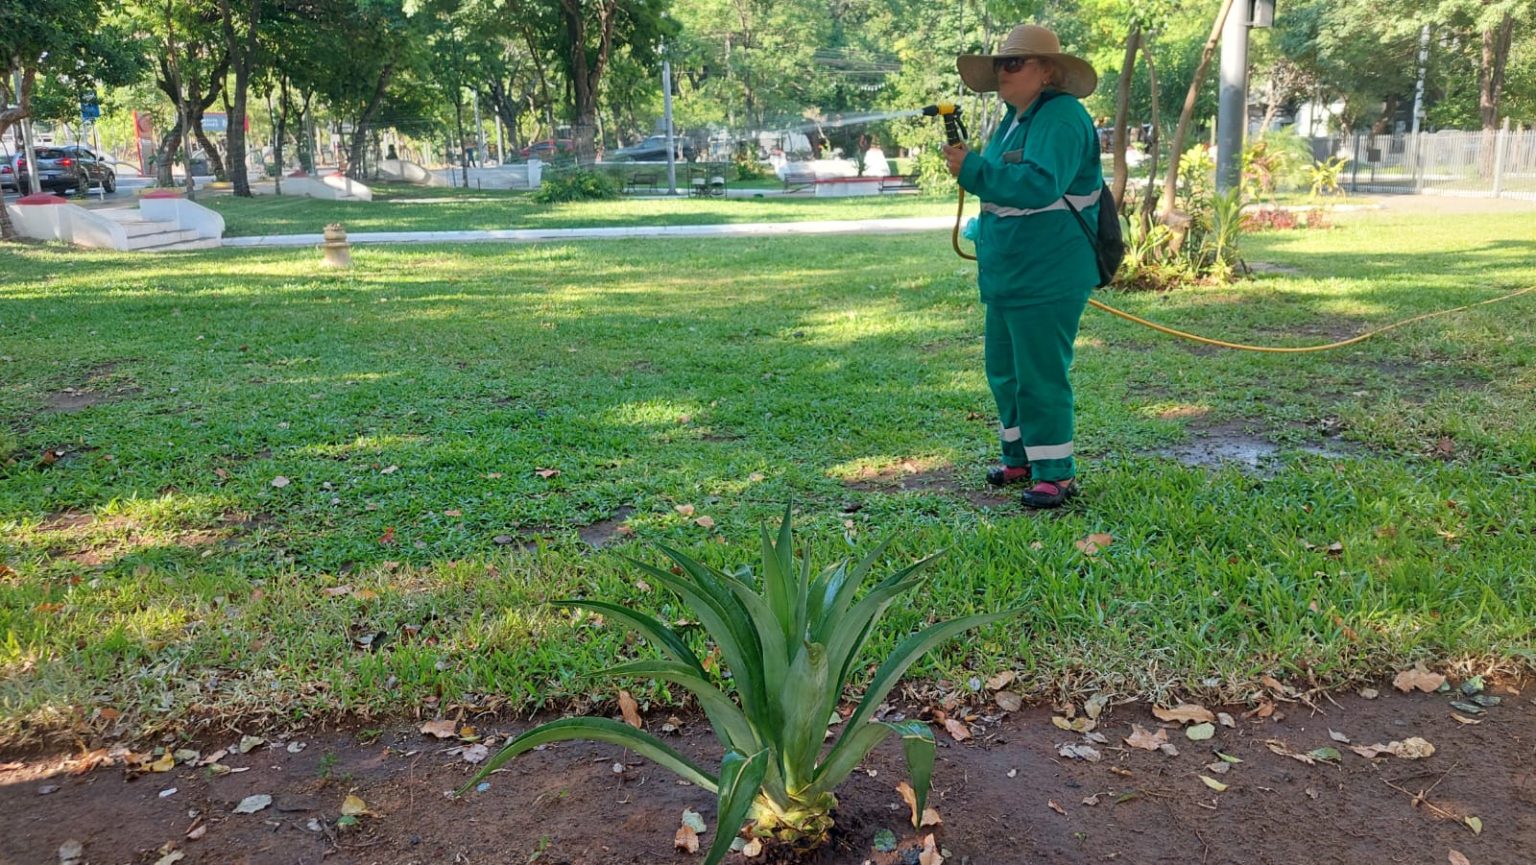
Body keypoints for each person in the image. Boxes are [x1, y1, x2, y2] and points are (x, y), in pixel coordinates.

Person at [943, 24, 1102, 509]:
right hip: (1010, 274)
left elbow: (1038, 184)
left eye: (1013, 63)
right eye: (999, 64)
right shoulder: (1016, 118)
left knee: (1039, 375)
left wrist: (973, 169)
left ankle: (1055, 472)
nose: (1002, 72)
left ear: (1047, 71)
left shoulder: (1061, 117)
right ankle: (1020, 458)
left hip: (1047, 272)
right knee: (1005, 373)